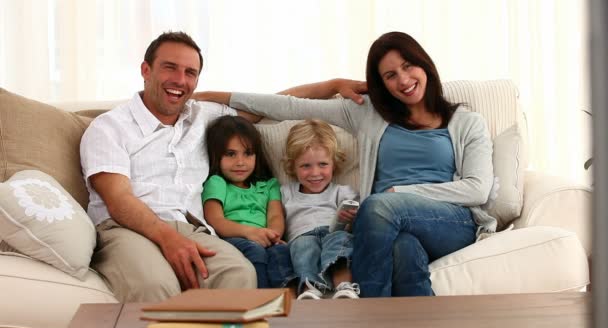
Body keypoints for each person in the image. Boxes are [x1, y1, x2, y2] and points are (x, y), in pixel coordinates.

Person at [192, 31, 496, 297]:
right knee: (405, 253)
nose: (403, 80)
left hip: (449, 222)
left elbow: (477, 189)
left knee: (375, 206)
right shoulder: (369, 114)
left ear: (424, 64)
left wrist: (398, 194)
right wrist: (216, 95)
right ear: (381, 84)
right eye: (390, 75)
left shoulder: (467, 122)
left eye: (408, 66)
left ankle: (364, 322)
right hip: (387, 225)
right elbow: (290, 106)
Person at [80, 31, 256, 302]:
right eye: (170, 67)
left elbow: (270, 105)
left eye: (190, 73)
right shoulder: (109, 127)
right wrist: (167, 239)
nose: (180, 80)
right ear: (146, 70)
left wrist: (331, 87)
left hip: (192, 229)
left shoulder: (203, 116)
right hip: (125, 228)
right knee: (154, 285)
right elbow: (118, 200)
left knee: (239, 273)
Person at [202, 115, 294, 289]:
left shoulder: (268, 185)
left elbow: (275, 215)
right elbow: (215, 219)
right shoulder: (217, 183)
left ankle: (290, 300)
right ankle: (260, 301)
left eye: (248, 153)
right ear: (216, 155)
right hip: (232, 240)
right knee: (255, 249)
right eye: (230, 154)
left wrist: (272, 235)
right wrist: (250, 233)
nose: (240, 162)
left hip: (263, 238)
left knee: (281, 251)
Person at [279, 119, 360, 300]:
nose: (315, 173)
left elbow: (358, 218)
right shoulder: (285, 192)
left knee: (341, 241)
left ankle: (344, 286)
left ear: (334, 163)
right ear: (293, 166)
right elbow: (275, 218)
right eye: (305, 166)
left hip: (333, 232)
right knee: (303, 248)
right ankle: (310, 287)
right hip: (301, 236)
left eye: (323, 164)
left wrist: (351, 219)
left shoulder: (342, 191)